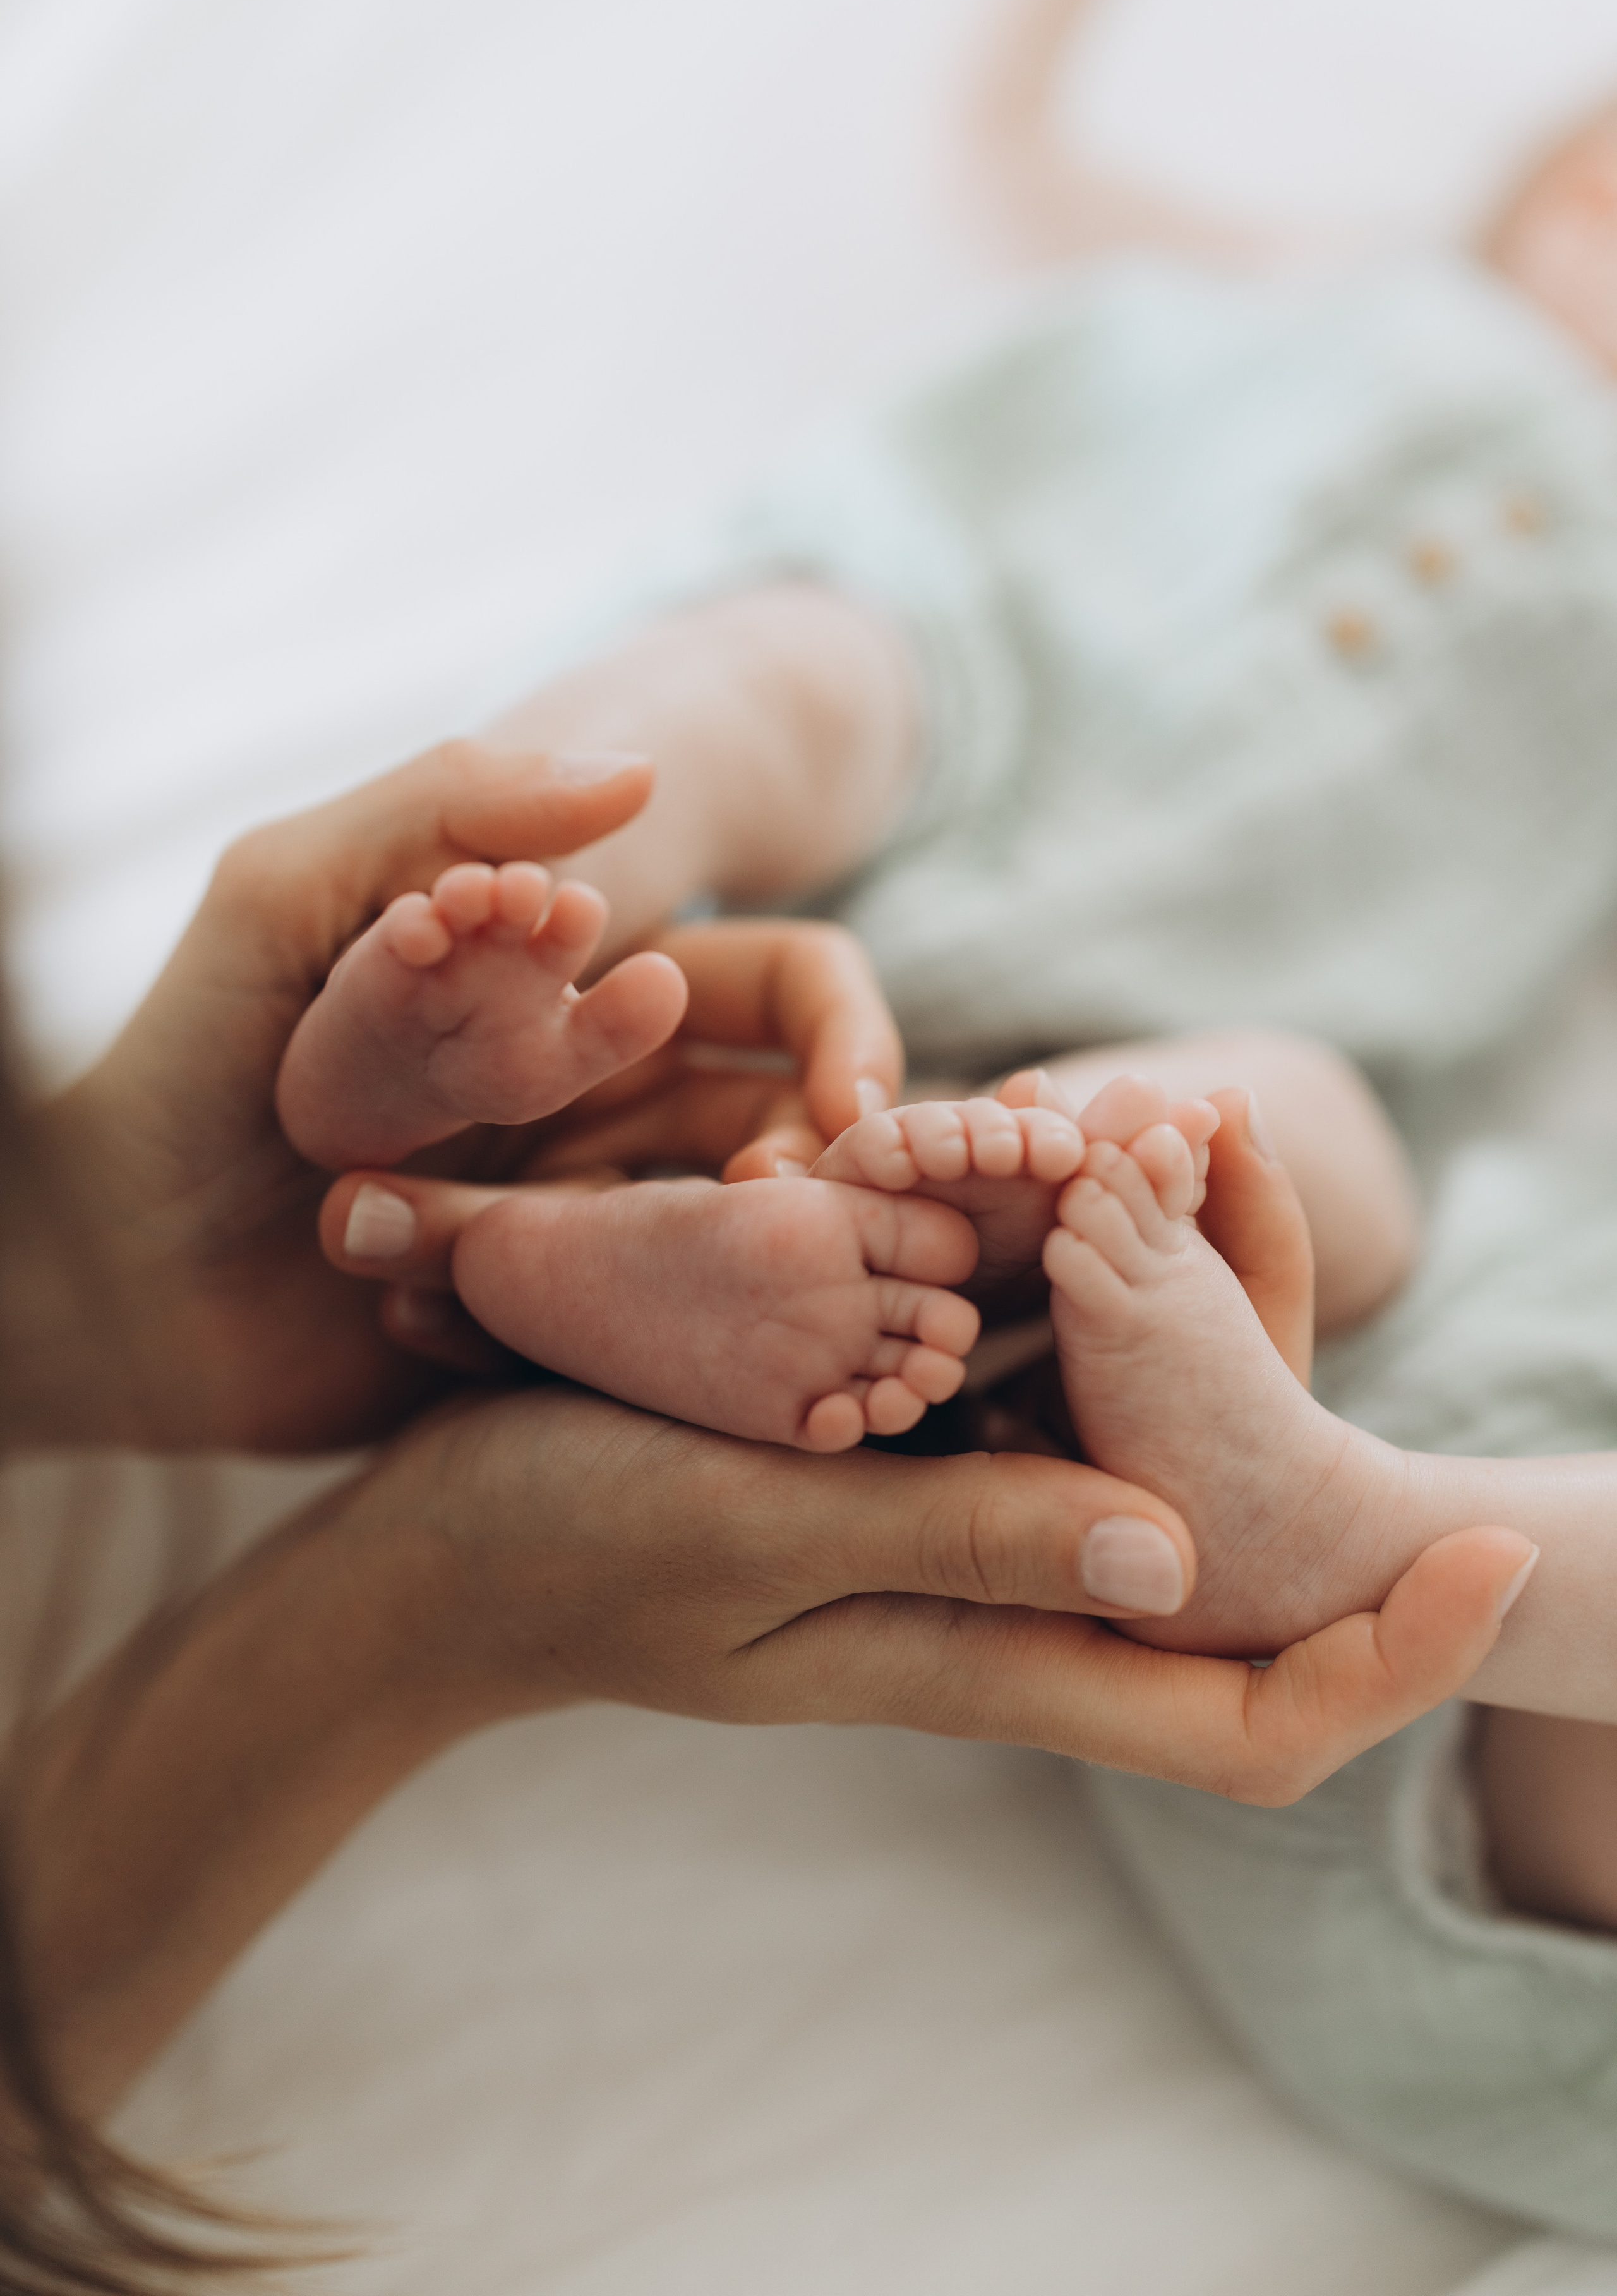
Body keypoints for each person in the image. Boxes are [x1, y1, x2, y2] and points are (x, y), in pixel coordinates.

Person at [1, 738, 1525, 2293]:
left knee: (1292, 1149)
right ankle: (941, 1207)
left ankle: (875, 1211)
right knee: (1288, 1139)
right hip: (1414, 1533)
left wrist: (71, 1301)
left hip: (1449, 1748)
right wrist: (430, 1585)